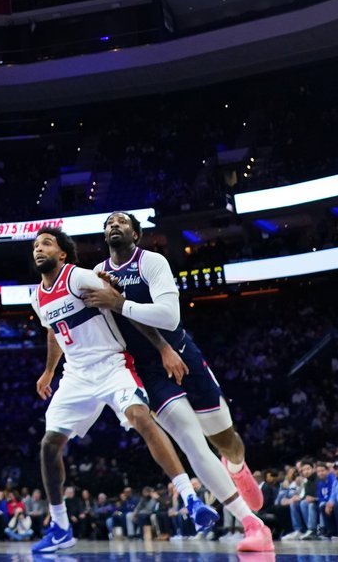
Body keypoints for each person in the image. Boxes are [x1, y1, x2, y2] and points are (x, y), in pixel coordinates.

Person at [80, 212, 273, 551]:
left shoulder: (151, 263)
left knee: (225, 439)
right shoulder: (97, 276)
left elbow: (170, 316)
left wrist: (121, 303)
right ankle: (252, 525)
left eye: (121, 222)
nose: (114, 226)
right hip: (148, 371)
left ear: (135, 235)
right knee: (190, 441)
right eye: (109, 223)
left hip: (183, 354)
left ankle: (238, 466)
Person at [28, 228, 221, 554]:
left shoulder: (79, 278)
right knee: (49, 446)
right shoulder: (37, 296)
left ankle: (190, 498)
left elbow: (123, 306)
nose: (38, 249)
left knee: (140, 417)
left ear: (62, 254)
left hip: (113, 365)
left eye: (46, 243)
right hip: (75, 376)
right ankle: (60, 527)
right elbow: (53, 332)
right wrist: (49, 370)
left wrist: (162, 347)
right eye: (35, 245)